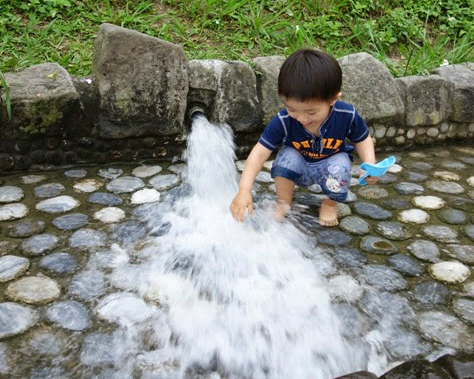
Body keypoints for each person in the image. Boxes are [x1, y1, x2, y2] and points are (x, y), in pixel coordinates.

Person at [229, 48, 379, 226]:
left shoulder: (346, 115)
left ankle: (329, 203)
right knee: (285, 160)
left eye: (311, 112)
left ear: (332, 100)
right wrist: (244, 189)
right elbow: (260, 152)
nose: (301, 118)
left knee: (341, 165)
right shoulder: (284, 119)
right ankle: (284, 202)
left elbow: (362, 139)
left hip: (331, 164)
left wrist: (369, 164)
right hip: (299, 164)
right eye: (292, 109)